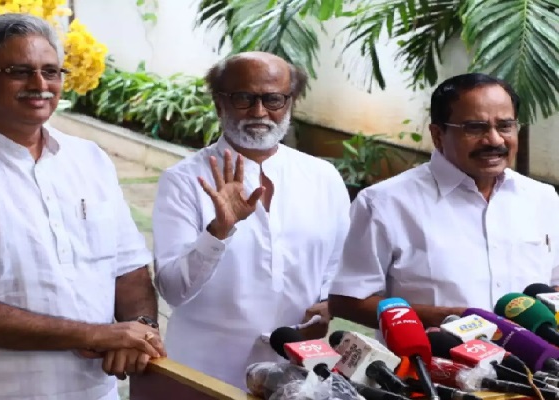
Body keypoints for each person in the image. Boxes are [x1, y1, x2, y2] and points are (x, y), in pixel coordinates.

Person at [0, 13, 166, 400]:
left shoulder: (89, 158)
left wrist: (141, 327)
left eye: (51, 71)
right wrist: (93, 334)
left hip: (96, 391)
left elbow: (128, 266)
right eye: (20, 72)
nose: (40, 85)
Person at [151, 51, 351, 389]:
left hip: (297, 373)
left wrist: (329, 304)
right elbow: (172, 290)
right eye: (244, 98)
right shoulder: (184, 181)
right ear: (219, 102)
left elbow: (339, 266)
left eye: (273, 99)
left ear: (290, 102)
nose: (259, 112)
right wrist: (218, 232)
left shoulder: (323, 177)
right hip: (206, 374)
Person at [329, 72, 559, 331]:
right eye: (475, 128)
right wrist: (440, 319)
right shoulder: (383, 203)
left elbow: (553, 285)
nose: (494, 140)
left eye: (505, 126)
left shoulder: (542, 198)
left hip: (535, 357)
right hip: (432, 356)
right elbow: (348, 300)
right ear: (438, 135)